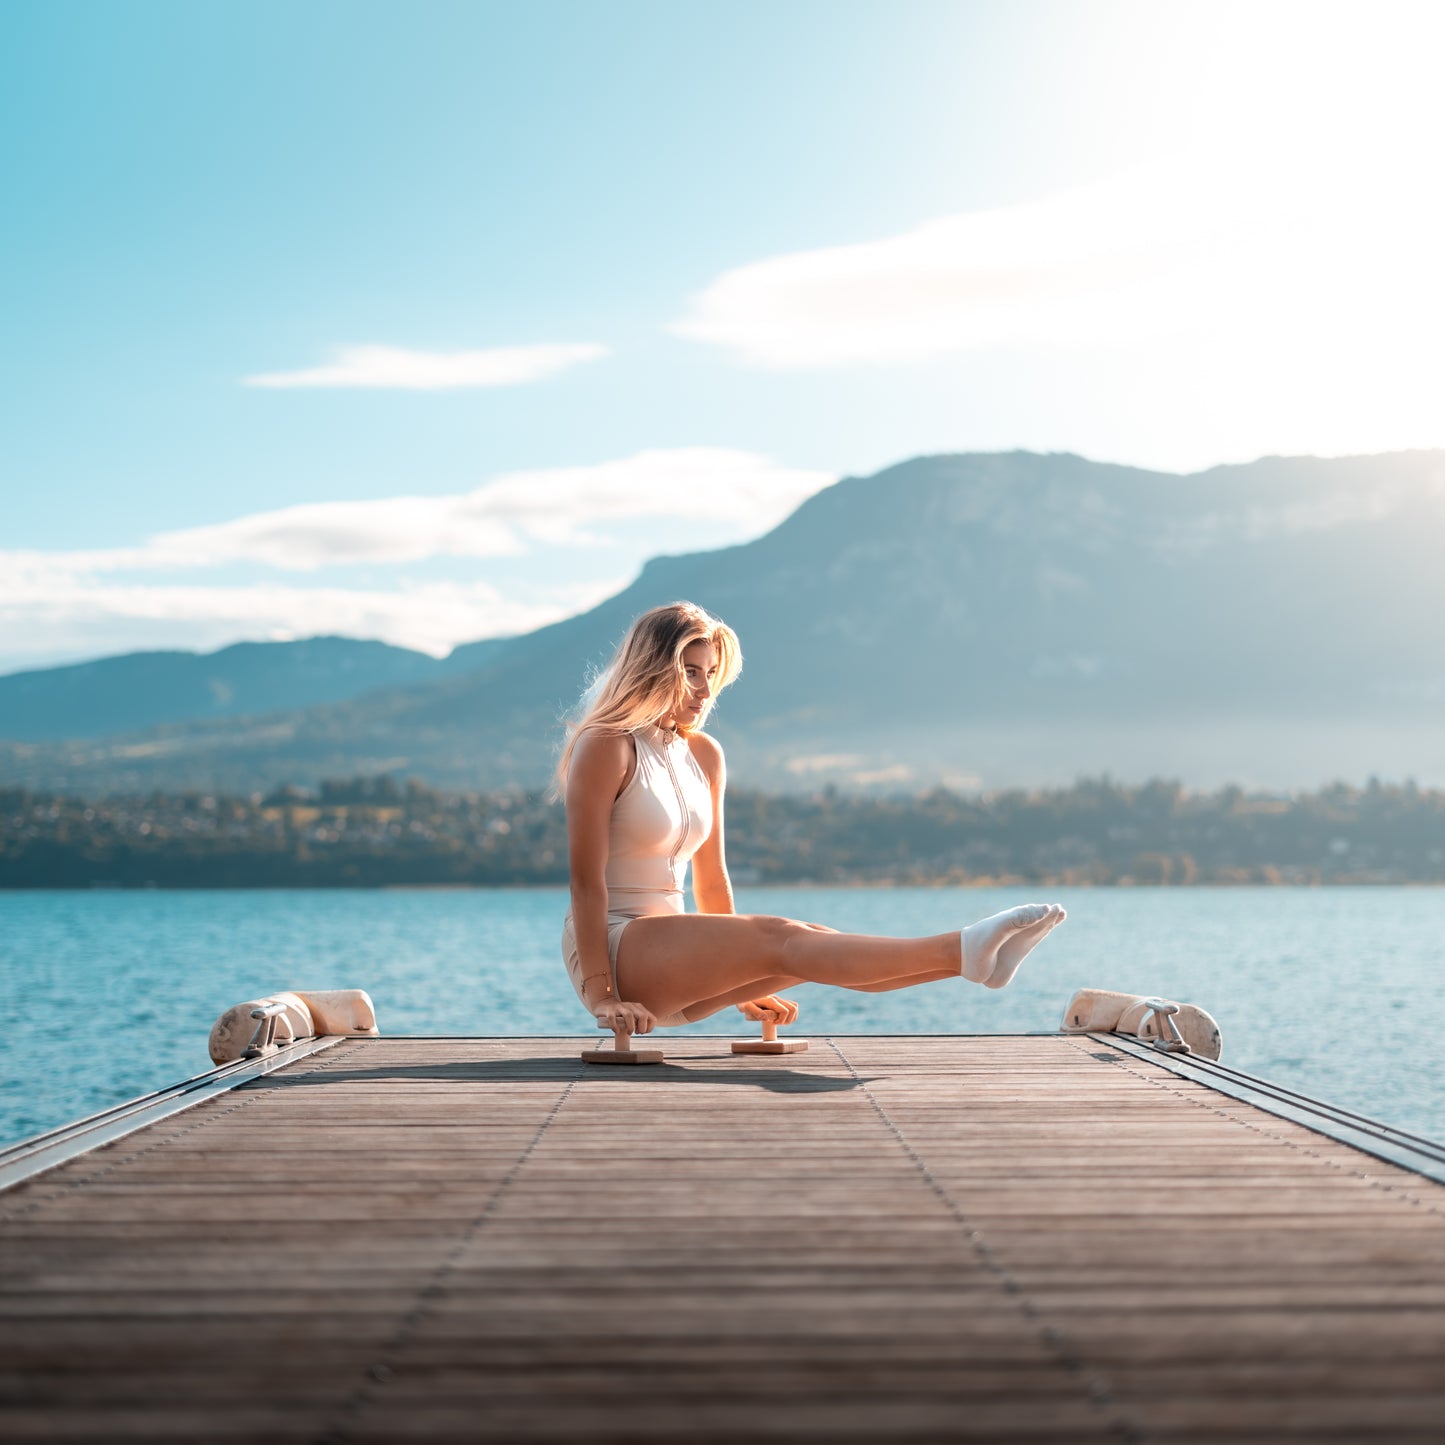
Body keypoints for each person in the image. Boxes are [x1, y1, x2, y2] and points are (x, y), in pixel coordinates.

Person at [557, 600, 1065, 1038]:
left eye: (710, 672)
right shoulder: (606, 745)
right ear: (652, 667)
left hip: (673, 953)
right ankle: (963, 948)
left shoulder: (705, 755)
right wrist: (603, 995)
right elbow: (585, 884)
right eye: (690, 670)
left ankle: (969, 963)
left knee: (812, 938)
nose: (703, 688)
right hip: (615, 950)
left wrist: (730, 978)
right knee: (784, 938)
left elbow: (712, 882)